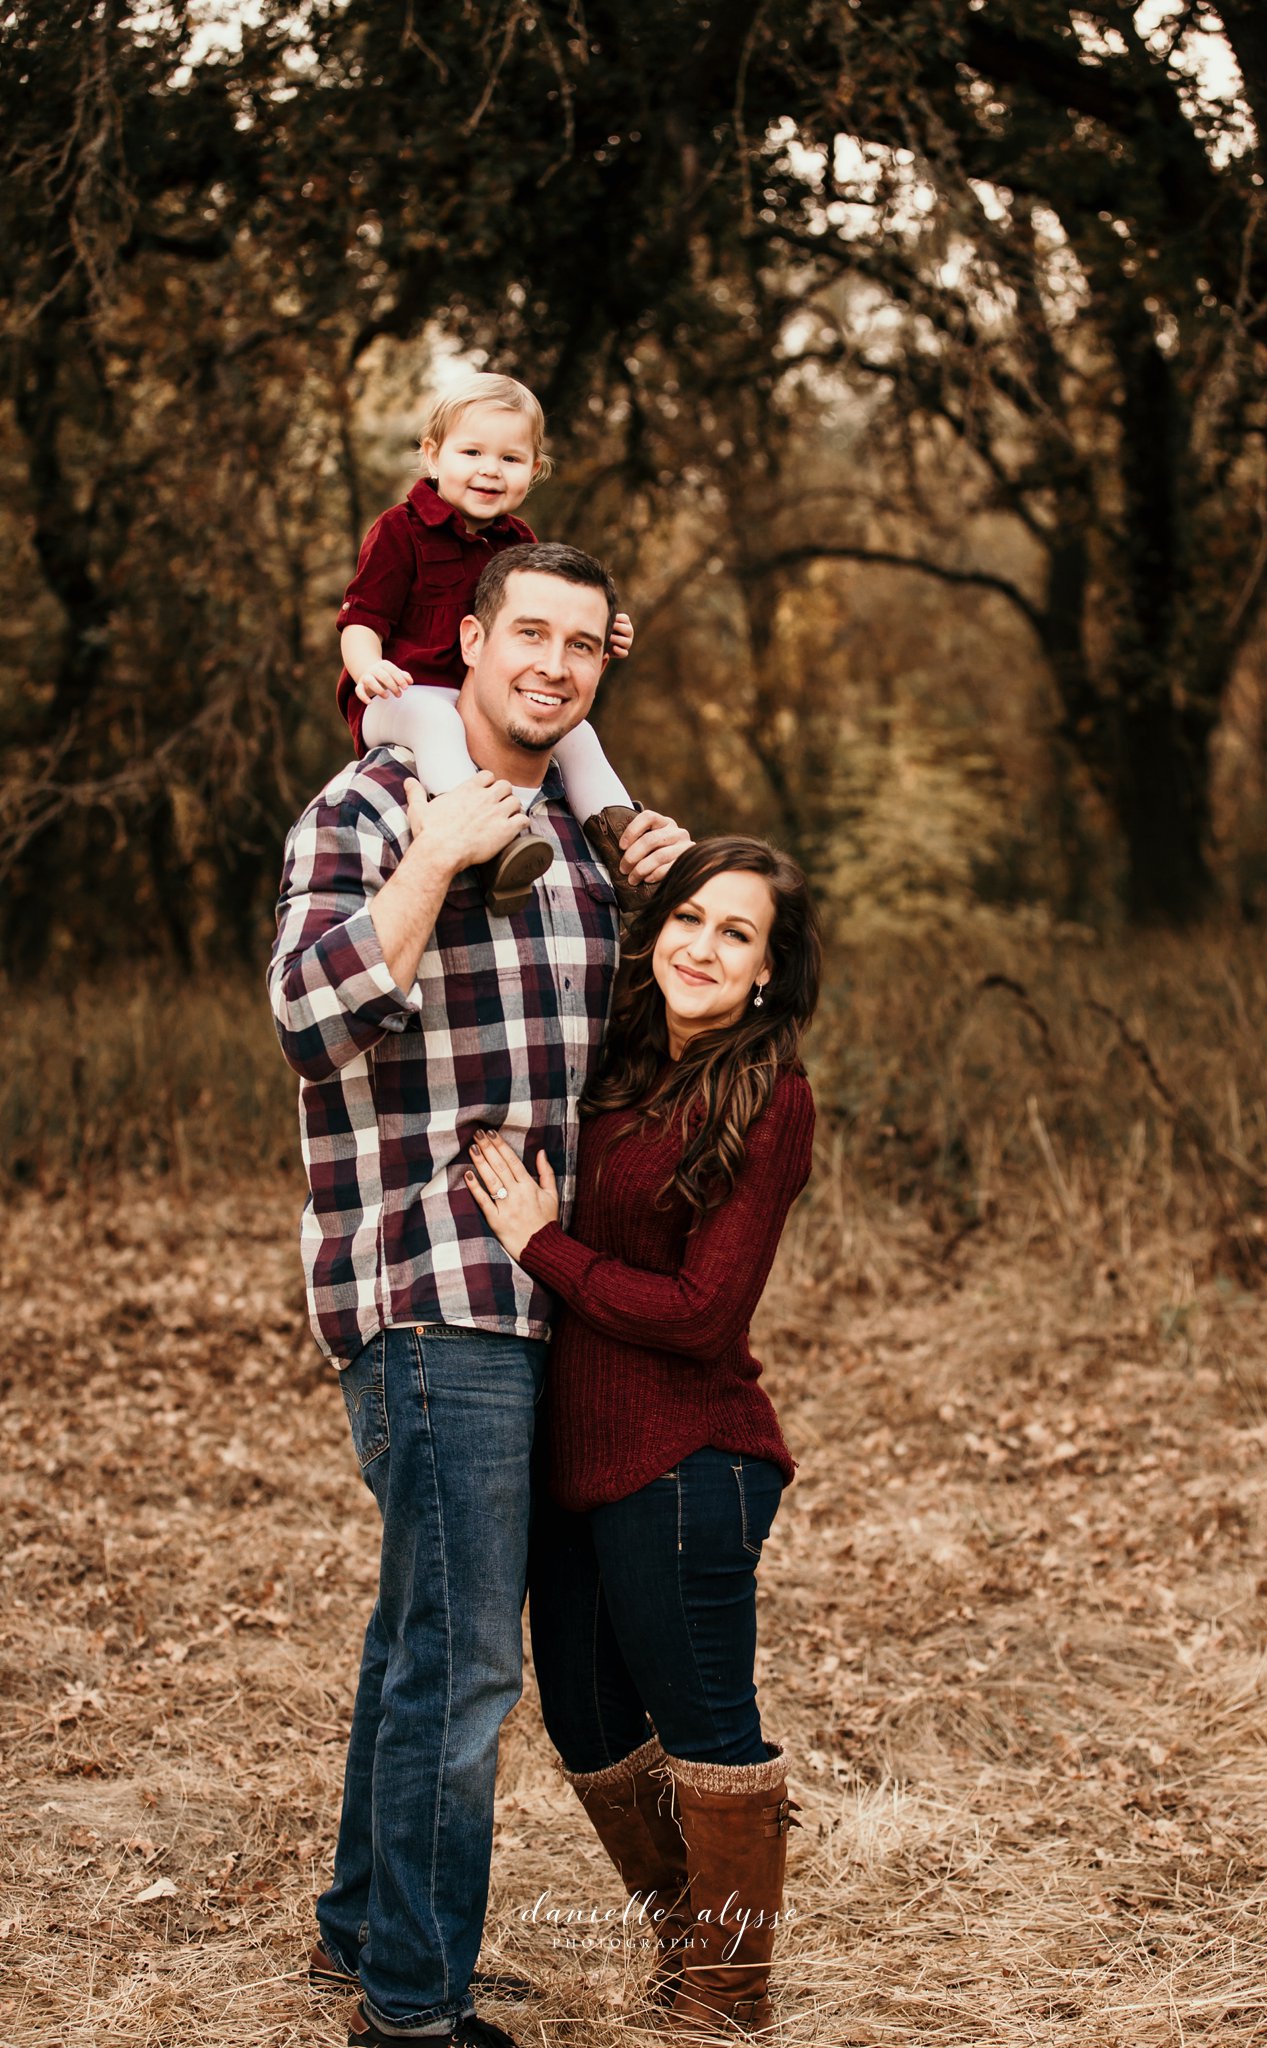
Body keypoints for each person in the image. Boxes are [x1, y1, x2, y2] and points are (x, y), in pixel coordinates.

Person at [268, 541, 690, 2048]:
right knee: (463, 1662)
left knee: (418, 1636)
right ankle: (415, 2009)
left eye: (584, 645)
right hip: (429, 1283)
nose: (556, 665)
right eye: (531, 634)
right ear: (472, 640)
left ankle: (369, 1936)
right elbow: (310, 1017)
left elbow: (641, 1057)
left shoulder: (585, 841)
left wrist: (679, 886)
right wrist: (438, 851)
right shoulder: (371, 806)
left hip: (545, 1292)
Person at [464, 835, 821, 2039]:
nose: (702, 946)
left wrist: (542, 1243)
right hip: (577, 1460)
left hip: (689, 1459)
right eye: (688, 917)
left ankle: (728, 1997)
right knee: (588, 1723)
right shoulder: (620, 1061)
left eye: (738, 932)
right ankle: (690, 1945)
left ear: (770, 971)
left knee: (710, 1730)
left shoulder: (770, 1092)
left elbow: (703, 1311)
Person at [335, 371, 642, 915]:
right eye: (472, 451)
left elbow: (549, 619)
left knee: (579, 733)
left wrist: (606, 633)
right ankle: (499, 847)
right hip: (398, 697)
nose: (489, 470)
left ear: (534, 471)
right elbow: (362, 618)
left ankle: (628, 857)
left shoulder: (520, 542)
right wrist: (367, 669)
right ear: (433, 456)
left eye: (509, 458)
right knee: (435, 722)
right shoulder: (399, 530)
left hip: (472, 700)